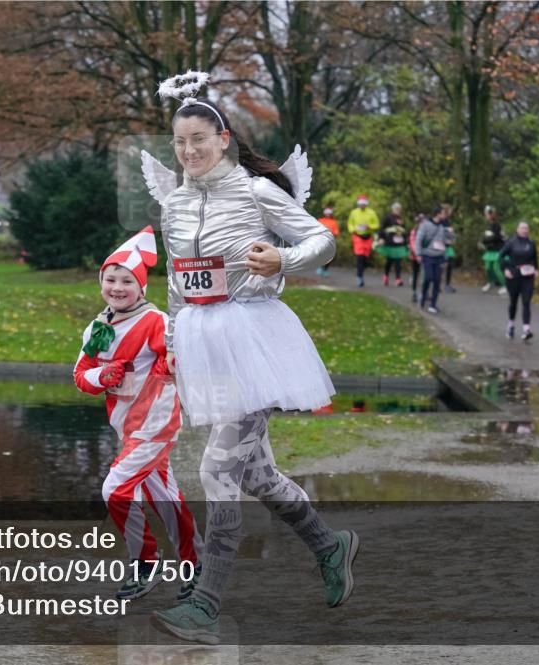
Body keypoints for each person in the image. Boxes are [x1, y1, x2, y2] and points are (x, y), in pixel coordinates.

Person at [143, 75, 358, 644]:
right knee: (256, 473)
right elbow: (176, 285)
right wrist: (169, 340)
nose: (188, 151)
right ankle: (329, 545)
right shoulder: (175, 201)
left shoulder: (255, 191)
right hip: (200, 342)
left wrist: (281, 260)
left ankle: (207, 606)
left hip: (254, 340)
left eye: (198, 139)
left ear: (223, 138)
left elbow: (322, 241)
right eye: (179, 142)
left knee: (217, 469)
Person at [73, 226, 203, 601]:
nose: (117, 286)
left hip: (156, 424)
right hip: (126, 428)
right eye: (110, 278)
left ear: (141, 286)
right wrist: (103, 374)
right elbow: (81, 376)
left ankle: (146, 562)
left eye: (126, 280)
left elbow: (179, 358)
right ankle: (196, 564)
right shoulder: (98, 326)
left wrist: (171, 364)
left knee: (114, 489)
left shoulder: (156, 321)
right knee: (166, 498)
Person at [499, 221, 538, 340]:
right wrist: (505, 269)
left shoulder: (531, 243)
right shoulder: (511, 242)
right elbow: (501, 256)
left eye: (526, 228)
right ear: (517, 229)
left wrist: (536, 269)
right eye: (522, 228)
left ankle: (526, 329)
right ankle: (511, 325)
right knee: (513, 302)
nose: (524, 230)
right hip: (514, 275)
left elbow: (534, 257)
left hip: (528, 276)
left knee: (526, 302)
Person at [413, 205, 449, 314]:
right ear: (437, 214)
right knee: (428, 278)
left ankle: (433, 304)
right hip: (427, 256)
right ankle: (423, 297)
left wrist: (445, 258)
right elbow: (418, 240)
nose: (444, 215)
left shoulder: (443, 227)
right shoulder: (425, 225)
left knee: (437, 280)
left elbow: (445, 243)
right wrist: (418, 254)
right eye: (443, 213)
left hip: (439, 257)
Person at [347, 194, 379, 287]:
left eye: (364, 204)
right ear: (358, 204)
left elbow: (376, 224)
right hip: (357, 237)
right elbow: (350, 223)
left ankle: (360, 273)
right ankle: (359, 277)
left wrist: (370, 227)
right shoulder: (354, 212)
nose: (362, 206)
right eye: (360, 204)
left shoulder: (371, 213)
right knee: (359, 257)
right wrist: (352, 229)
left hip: (368, 237)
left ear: (366, 204)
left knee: (365, 259)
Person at [378, 202, 408, 286]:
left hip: (399, 243)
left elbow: (404, 230)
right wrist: (381, 238)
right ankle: (386, 275)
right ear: (393, 209)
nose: (398, 210)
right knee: (390, 261)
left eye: (399, 209)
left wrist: (405, 240)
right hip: (390, 242)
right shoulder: (388, 218)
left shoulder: (401, 219)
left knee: (398, 260)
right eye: (397, 209)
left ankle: (398, 279)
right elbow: (382, 229)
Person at [480, 205, 507, 295]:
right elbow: (486, 237)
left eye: (487, 213)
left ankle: (505, 286)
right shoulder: (488, 225)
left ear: (491, 214)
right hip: (490, 251)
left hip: (497, 250)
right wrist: (484, 241)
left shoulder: (497, 225)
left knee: (496, 268)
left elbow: (496, 237)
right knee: (488, 268)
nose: (486, 215)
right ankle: (490, 283)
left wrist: (486, 240)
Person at [315, 206, 339, 277]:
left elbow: (336, 232)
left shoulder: (333, 222)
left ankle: (325, 269)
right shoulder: (320, 220)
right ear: (324, 213)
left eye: (329, 213)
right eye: (327, 213)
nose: (328, 214)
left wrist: (331, 232)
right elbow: (316, 230)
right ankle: (320, 267)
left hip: (330, 241)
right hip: (321, 240)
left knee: (330, 256)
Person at [441, 204, 457, 293]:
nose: (451, 212)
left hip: (448, 247)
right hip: (441, 247)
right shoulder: (439, 221)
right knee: (441, 266)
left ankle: (447, 285)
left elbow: (452, 234)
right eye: (449, 210)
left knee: (450, 265)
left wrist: (452, 238)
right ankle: (437, 284)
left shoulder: (448, 221)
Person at [409, 213, 424, 303]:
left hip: (424, 257)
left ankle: (424, 293)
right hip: (415, 257)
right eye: (420, 222)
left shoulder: (427, 231)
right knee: (415, 274)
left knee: (424, 275)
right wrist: (418, 254)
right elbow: (412, 243)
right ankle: (414, 292)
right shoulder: (414, 232)